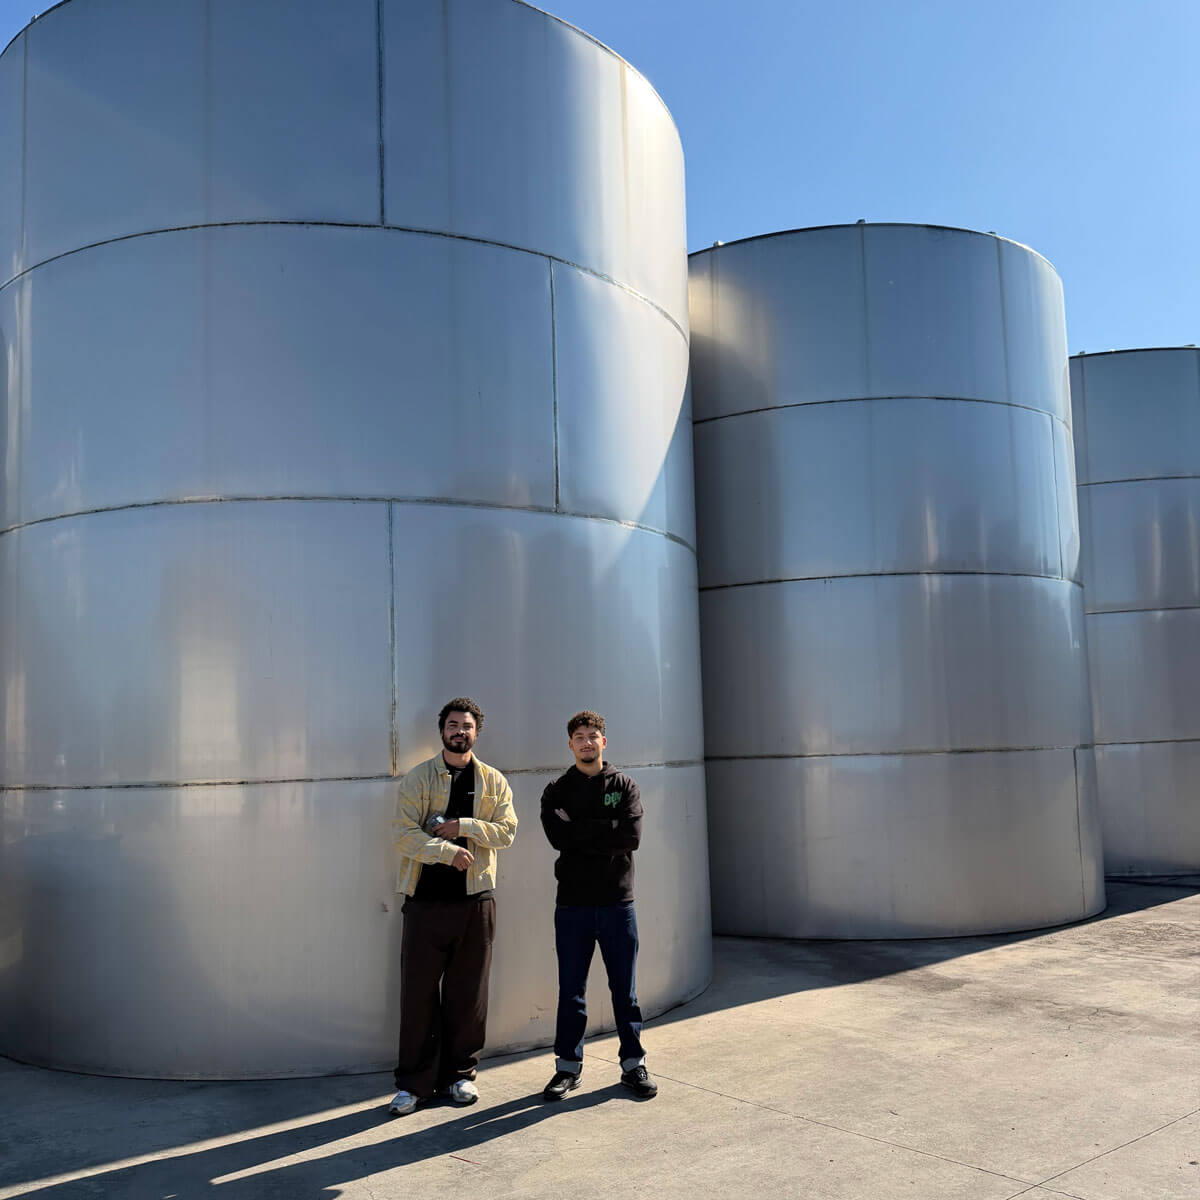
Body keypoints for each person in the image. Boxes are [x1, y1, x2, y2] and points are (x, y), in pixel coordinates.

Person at [388, 698, 517, 1116]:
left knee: (468, 994)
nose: (459, 731)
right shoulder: (419, 779)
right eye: (452, 724)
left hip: (475, 902)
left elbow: (507, 832)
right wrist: (446, 851)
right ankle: (414, 1085)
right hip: (425, 903)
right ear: (441, 730)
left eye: (466, 725)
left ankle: (462, 1076)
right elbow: (403, 834)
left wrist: (465, 827)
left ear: (477, 732)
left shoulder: (493, 781)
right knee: (418, 996)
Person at [539, 710, 657, 1101]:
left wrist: (579, 828)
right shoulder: (556, 790)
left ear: (604, 742)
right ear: (570, 743)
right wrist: (604, 828)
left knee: (625, 991)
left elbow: (631, 837)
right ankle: (567, 1069)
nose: (587, 742)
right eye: (579, 737)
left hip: (617, 905)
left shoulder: (624, 786)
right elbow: (558, 838)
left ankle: (633, 1064)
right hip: (572, 906)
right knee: (571, 990)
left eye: (593, 736)